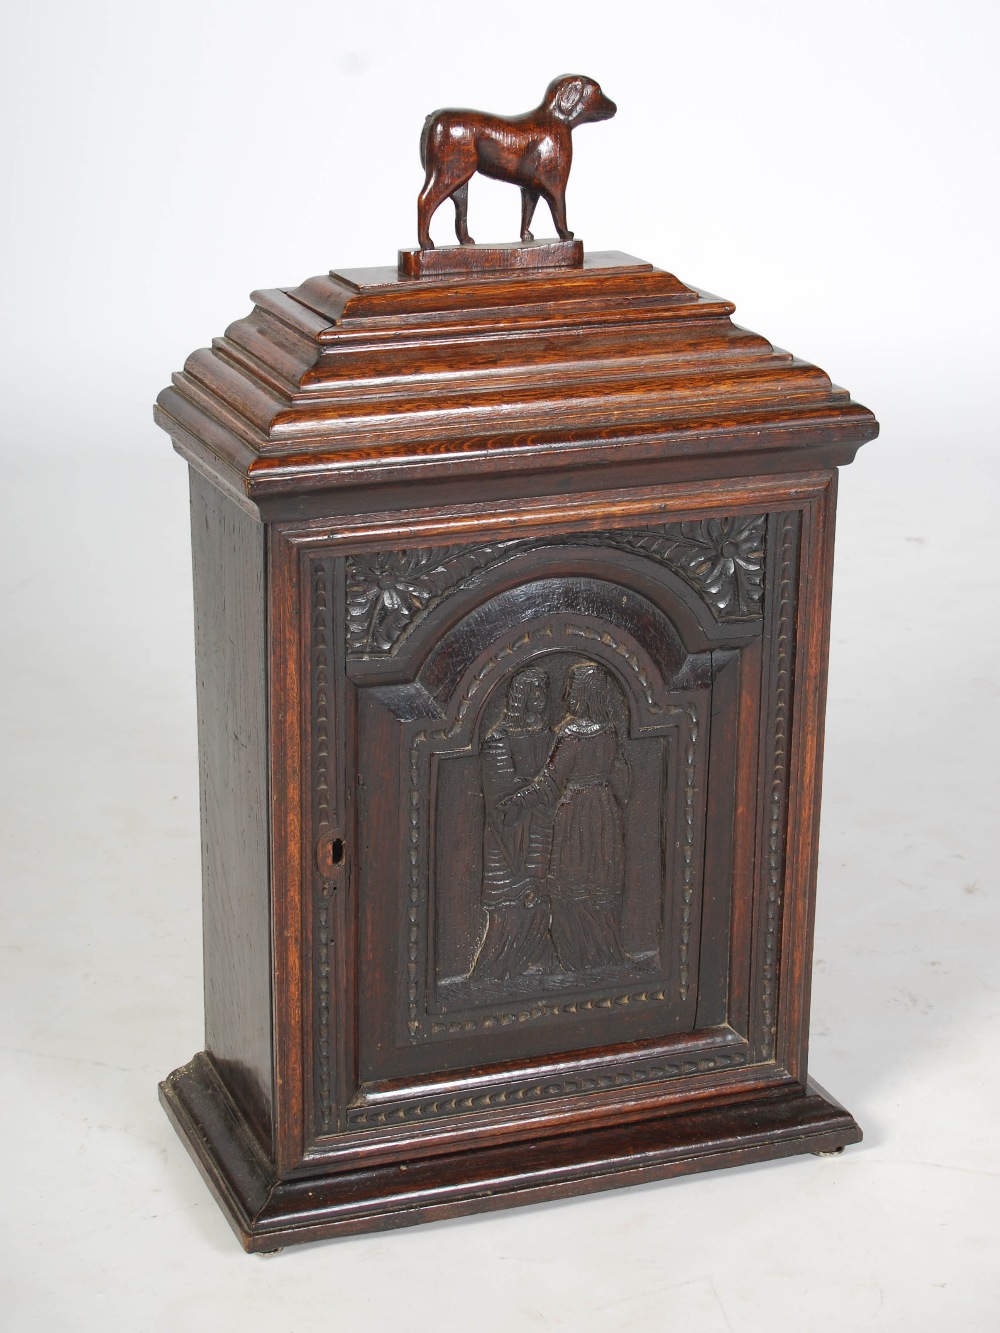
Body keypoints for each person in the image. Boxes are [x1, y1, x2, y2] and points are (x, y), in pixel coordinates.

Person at [506, 662, 630, 972]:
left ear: (586, 694)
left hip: (576, 814)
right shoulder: (611, 732)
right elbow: (624, 778)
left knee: (568, 892)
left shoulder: (571, 734)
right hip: (604, 814)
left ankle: (578, 960)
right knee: (599, 891)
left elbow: (550, 785)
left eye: (573, 688)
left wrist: (519, 800)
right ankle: (604, 957)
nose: (567, 694)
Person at [470, 666, 555, 980]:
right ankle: (496, 969)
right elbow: (499, 794)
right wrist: (538, 790)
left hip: (542, 831)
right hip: (506, 838)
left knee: (539, 903)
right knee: (507, 908)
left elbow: (557, 782)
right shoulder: (498, 737)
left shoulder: (550, 735)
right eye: (534, 691)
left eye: (544, 691)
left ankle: (533, 961)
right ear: (520, 696)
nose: (541, 698)